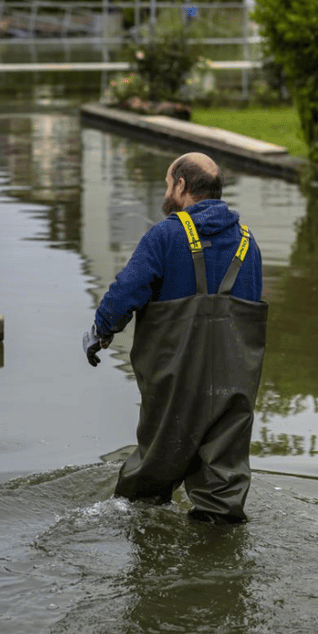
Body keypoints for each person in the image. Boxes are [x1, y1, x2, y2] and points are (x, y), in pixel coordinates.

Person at [83, 153, 267, 523]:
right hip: (233, 388)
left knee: (145, 490)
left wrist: (100, 332)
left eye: (168, 184)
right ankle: (218, 558)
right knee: (222, 493)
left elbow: (125, 293)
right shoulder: (250, 245)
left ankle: (146, 550)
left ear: (182, 185)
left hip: (175, 381)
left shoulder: (165, 236)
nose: (166, 192)